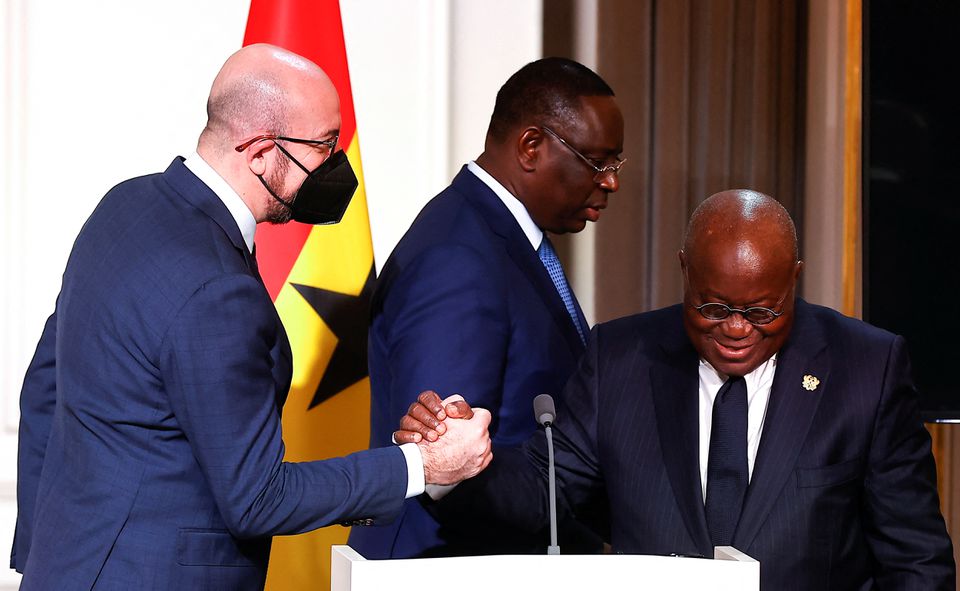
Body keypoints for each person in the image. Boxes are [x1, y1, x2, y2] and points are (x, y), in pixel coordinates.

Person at [11, 44, 492, 590]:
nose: (338, 166)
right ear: (261, 152)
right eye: (325, 147)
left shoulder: (123, 206)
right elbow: (258, 498)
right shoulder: (219, 289)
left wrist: (43, 552)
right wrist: (421, 466)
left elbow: (46, 388)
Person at [401, 190, 956, 589]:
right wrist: (452, 465)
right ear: (684, 270)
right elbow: (546, 489)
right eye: (713, 307)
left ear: (795, 277)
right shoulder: (621, 358)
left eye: (762, 310)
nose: (737, 328)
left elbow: (915, 559)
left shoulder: (867, 367)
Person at [347, 57, 625, 559]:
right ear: (532, 147)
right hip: (442, 564)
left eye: (615, 165)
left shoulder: (503, 237)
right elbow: (442, 460)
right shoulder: (457, 258)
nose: (611, 183)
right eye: (599, 162)